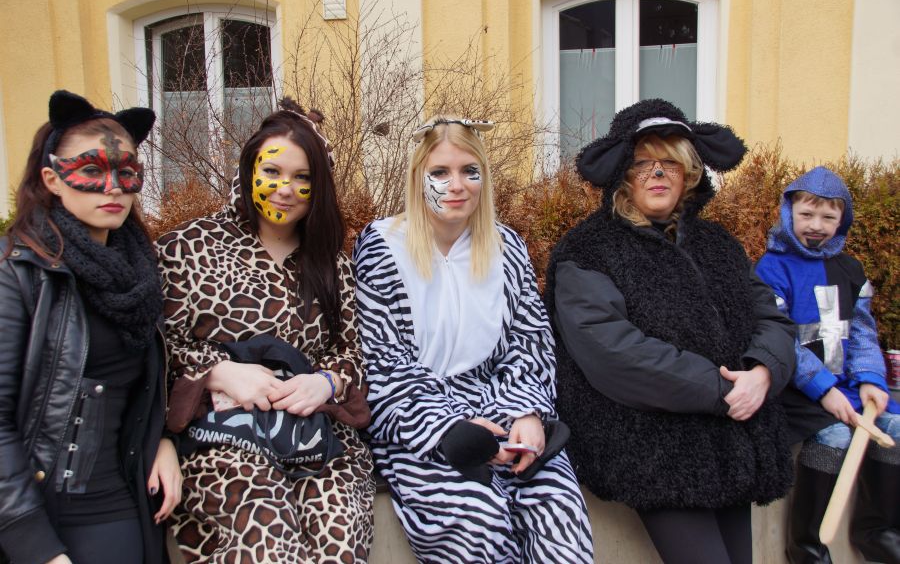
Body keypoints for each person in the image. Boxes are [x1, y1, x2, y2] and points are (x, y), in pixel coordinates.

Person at [545, 99, 796, 564]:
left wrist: (763, 372)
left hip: (731, 438)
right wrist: (724, 389)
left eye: (670, 163)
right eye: (643, 164)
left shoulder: (718, 245)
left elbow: (771, 318)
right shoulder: (588, 249)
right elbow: (614, 353)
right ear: (623, 174)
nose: (657, 174)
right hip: (653, 447)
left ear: (689, 173)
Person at [354, 116, 594, 563]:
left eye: (470, 171)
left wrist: (527, 413)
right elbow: (382, 361)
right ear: (418, 176)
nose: (456, 185)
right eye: (440, 172)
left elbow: (530, 342)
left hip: (500, 403)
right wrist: (451, 429)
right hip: (421, 422)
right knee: (476, 521)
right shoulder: (383, 246)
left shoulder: (506, 247)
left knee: (558, 508)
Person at [156, 101, 375, 562]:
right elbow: (157, 346)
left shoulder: (329, 262)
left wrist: (327, 382)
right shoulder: (188, 248)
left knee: (339, 535)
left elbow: (353, 351)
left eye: (302, 177)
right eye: (272, 172)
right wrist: (218, 372)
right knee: (267, 539)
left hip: (316, 436)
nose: (285, 189)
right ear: (249, 169)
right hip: (222, 437)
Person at [0, 90, 181, 564]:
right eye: (92, 170)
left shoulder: (140, 273)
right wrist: (33, 545)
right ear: (52, 179)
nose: (113, 187)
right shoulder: (17, 272)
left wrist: (164, 438)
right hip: (36, 514)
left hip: (120, 503)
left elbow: (148, 387)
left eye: (127, 172)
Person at [755, 166, 899, 564]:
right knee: (834, 434)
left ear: (842, 220)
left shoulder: (851, 270)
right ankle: (807, 546)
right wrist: (823, 388)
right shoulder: (771, 268)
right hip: (797, 389)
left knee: (894, 426)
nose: (816, 225)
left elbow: (863, 331)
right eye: (807, 214)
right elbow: (780, 337)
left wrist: (870, 380)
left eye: (828, 216)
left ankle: (878, 531)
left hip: (846, 386)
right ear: (789, 213)